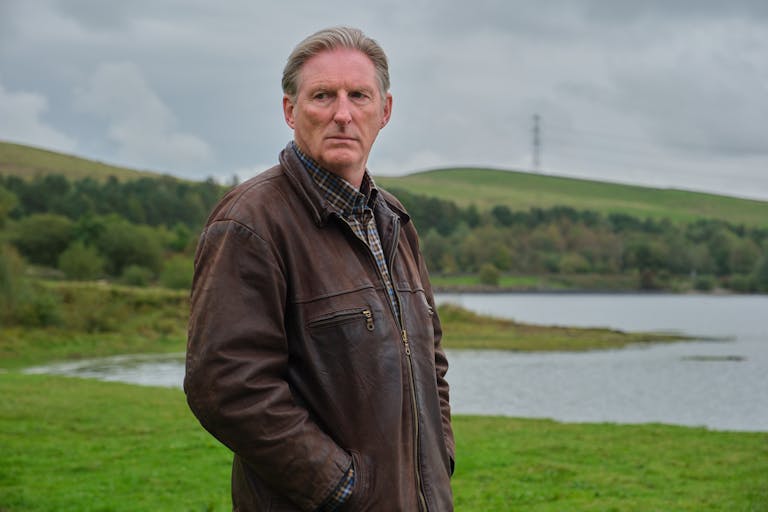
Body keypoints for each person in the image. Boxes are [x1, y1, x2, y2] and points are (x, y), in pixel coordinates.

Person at [184, 26, 454, 511]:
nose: (343, 114)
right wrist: (340, 488)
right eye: (323, 96)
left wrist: (439, 459)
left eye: (359, 96)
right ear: (290, 110)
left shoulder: (392, 219)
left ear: (384, 111)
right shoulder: (250, 224)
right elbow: (226, 387)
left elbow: (429, 358)